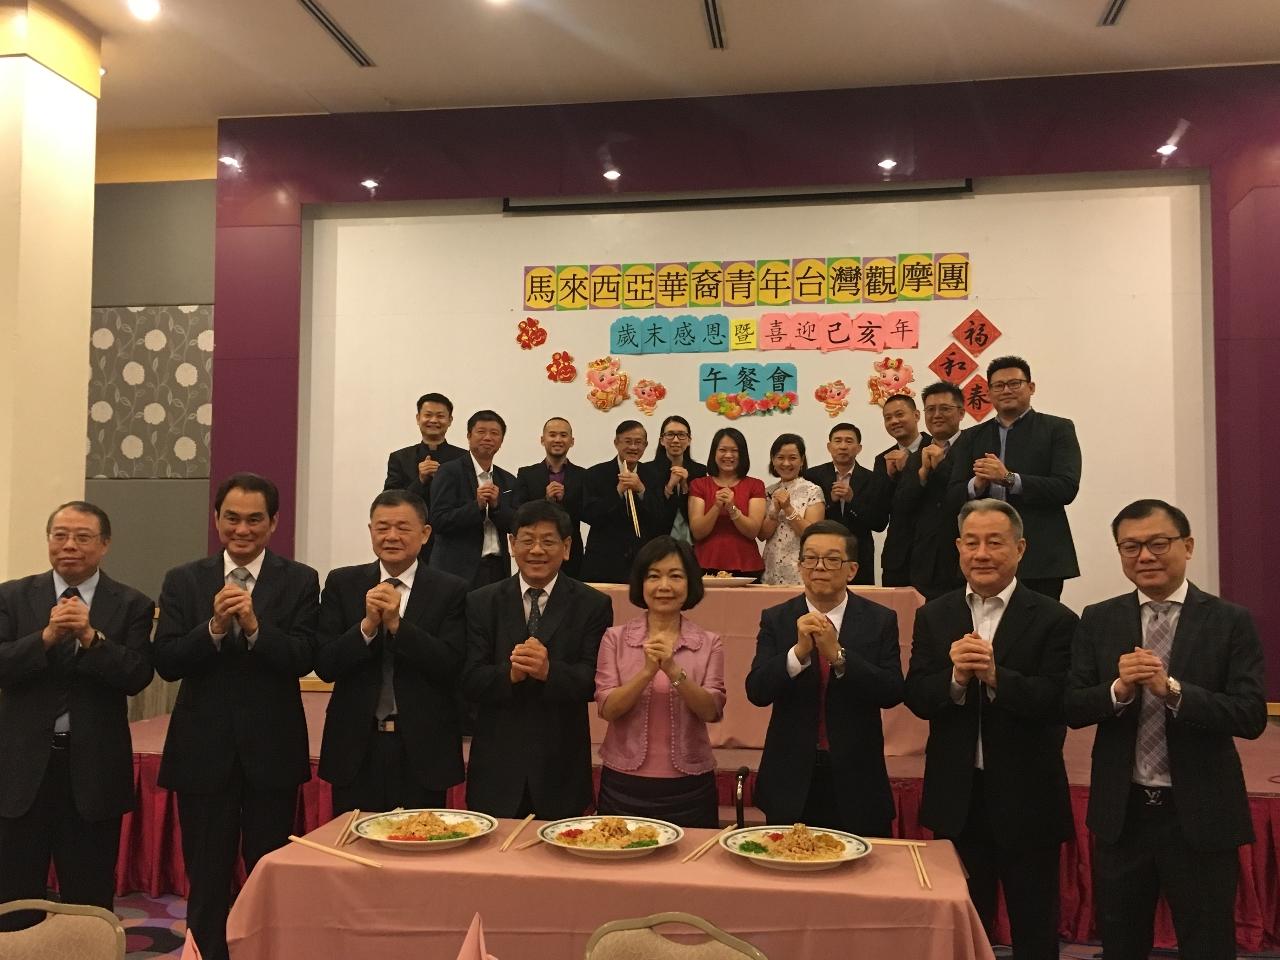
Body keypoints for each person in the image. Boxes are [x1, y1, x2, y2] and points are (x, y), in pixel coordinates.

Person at [1065, 499, 1266, 960]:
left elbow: (1251, 715)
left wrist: (1172, 690)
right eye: (1130, 546)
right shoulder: (1099, 618)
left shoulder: (1230, 621)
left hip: (1200, 814)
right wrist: (1117, 688)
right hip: (1124, 815)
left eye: (1158, 543)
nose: (1145, 556)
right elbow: (1073, 707)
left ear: (1187, 545)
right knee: (1120, 943)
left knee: (1208, 943)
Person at [153, 473, 318, 960]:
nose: (241, 529)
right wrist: (213, 628)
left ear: (274, 523)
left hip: (273, 752)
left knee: (268, 872)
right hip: (202, 754)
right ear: (216, 519)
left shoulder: (300, 579)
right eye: (232, 518)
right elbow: (166, 660)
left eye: (254, 520)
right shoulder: (184, 579)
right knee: (205, 877)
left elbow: (305, 655)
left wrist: (253, 627)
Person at [905, 499, 1077, 960]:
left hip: (1029, 797)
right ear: (958, 548)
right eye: (972, 542)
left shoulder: (1054, 618)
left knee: (1034, 924)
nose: (982, 553)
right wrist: (956, 679)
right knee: (962, 924)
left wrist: (999, 676)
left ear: (1020, 549)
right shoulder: (934, 615)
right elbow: (918, 697)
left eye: (995, 542)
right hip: (956, 796)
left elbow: (1062, 703)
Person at [0, 502, 154, 930]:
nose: (69, 545)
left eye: (82, 537)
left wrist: (91, 637)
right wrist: (46, 638)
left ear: (104, 544)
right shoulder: (11, 597)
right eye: (60, 535)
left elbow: (137, 675)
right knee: (14, 892)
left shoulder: (131, 604)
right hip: (21, 769)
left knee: (88, 894)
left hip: (93, 770)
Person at [745, 520, 902, 837]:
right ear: (800, 566)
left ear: (852, 569)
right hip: (790, 777)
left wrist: (839, 656)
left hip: (857, 779)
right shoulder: (776, 618)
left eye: (832, 559)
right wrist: (798, 654)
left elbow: (891, 691)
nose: (820, 567)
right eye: (811, 559)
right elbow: (757, 691)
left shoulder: (879, 620)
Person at [315, 490, 468, 814]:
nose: (392, 536)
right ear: (371, 531)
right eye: (382, 527)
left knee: (419, 849)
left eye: (403, 527)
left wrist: (399, 626)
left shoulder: (451, 589)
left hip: (423, 749)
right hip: (356, 745)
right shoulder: (343, 583)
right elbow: (325, 664)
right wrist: (367, 627)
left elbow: (451, 664)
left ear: (425, 534)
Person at [461, 500, 613, 819]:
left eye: (548, 541)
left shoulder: (593, 604)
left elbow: (593, 682)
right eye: (527, 540)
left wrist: (549, 671)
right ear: (512, 544)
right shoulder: (481, 602)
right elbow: (469, 679)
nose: (537, 550)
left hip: (561, 765)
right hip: (496, 766)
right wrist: (510, 675)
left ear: (567, 547)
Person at [594, 536, 725, 828]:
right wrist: (646, 672)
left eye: (675, 576)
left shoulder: (708, 642)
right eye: (654, 576)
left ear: (690, 584)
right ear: (641, 584)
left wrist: (673, 670)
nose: (664, 586)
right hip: (624, 784)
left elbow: (712, 711)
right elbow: (607, 709)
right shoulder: (614, 638)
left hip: (690, 786)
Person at [947, 356, 1081, 600]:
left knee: (1040, 629)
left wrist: (1009, 478)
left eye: (1014, 383)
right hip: (983, 555)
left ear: (1031, 388)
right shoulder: (971, 436)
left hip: (1040, 554)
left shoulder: (1057, 429)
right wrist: (976, 485)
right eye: (998, 386)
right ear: (988, 393)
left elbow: (1066, 487)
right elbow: (952, 496)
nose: (1006, 390)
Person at [893, 382, 966, 600]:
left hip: (962, 559)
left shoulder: (971, 448)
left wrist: (941, 466)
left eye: (944, 409)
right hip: (924, 561)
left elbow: (967, 497)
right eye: (930, 409)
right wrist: (923, 473)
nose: (937, 415)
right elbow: (901, 506)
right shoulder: (916, 455)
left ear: (961, 412)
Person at [429, 410, 516, 589]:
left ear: (501, 441)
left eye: (494, 433)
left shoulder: (507, 479)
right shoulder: (449, 472)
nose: (488, 437)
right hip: (456, 568)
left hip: (498, 568)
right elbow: (438, 521)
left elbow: (515, 523)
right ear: (469, 436)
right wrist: (476, 506)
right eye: (481, 431)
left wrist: (496, 506)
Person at [804, 423, 887, 585]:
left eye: (849, 441)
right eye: (838, 441)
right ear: (829, 446)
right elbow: (807, 519)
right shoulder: (812, 476)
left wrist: (852, 500)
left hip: (859, 553)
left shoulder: (872, 479)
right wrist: (830, 501)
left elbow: (879, 523)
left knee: (860, 605)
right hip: (821, 553)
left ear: (859, 448)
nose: (843, 446)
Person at [580, 420, 655, 584]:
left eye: (638, 442)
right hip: (603, 563)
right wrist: (618, 491)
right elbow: (589, 515)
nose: (633, 447)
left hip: (643, 562)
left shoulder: (653, 475)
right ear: (616, 443)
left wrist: (641, 490)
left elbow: (660, 517)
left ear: (646, 445)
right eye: (628, 442)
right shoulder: (595, 474)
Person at [688, 427, 766, 578]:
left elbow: (753, 531)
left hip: (746, 563)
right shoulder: (699, 484)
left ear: (742, 454)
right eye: (722, 450)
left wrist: (732, 508)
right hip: (704, 562)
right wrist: (717, 506)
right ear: (714, 453)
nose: (728, 455)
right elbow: (697, 532)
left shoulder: (755, 485)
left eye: (734, 451)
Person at [514, 417, 586, 579]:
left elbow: (587, 513)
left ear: (572, 441)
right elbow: (518, 512)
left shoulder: (582, 475)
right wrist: (545, 499)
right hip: (535, 550)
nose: (558, 440)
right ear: (542, 440)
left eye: (563, 435)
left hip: (571, 552)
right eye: (552, 435)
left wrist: (565, 499)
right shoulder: (526, 474)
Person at [875, 394, 931, 587]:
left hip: (935, 556)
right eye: (888, 417)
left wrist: (910, 469)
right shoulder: (883, 459)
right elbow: (880, 515)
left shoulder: (937, 449)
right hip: (897, 558)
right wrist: (891, 478)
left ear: (916, 415)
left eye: (899, 414)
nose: (894, 421)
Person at [757, 433, 825, 585]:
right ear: (773, 461)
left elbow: (812, 534)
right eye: (780, 457)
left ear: (802, 461)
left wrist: (788, 508)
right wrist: (774, 511)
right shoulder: (768, 491)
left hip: (800, 569)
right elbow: (762, 535)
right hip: (771, 566)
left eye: (792, 458)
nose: (786, 463)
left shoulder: (813, 490)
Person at [383, 391, 466, 499]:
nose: (434, 420)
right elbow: (389, 501)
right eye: (428, 415)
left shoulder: (464, 458)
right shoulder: (399, 458)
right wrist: (420, 480)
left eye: (440, 416)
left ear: (450, 420)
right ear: (418, 418)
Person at [639, 415, 707, 545]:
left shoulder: (700, 471)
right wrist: (670, 486)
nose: (676, 440)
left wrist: (685, 486)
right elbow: (649, 511)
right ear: (662, 440)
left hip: (692, 542)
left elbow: (699, 513)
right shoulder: (647, 470)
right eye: (670, 434)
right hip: (657, 541)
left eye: (681, 435)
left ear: (689, 440)